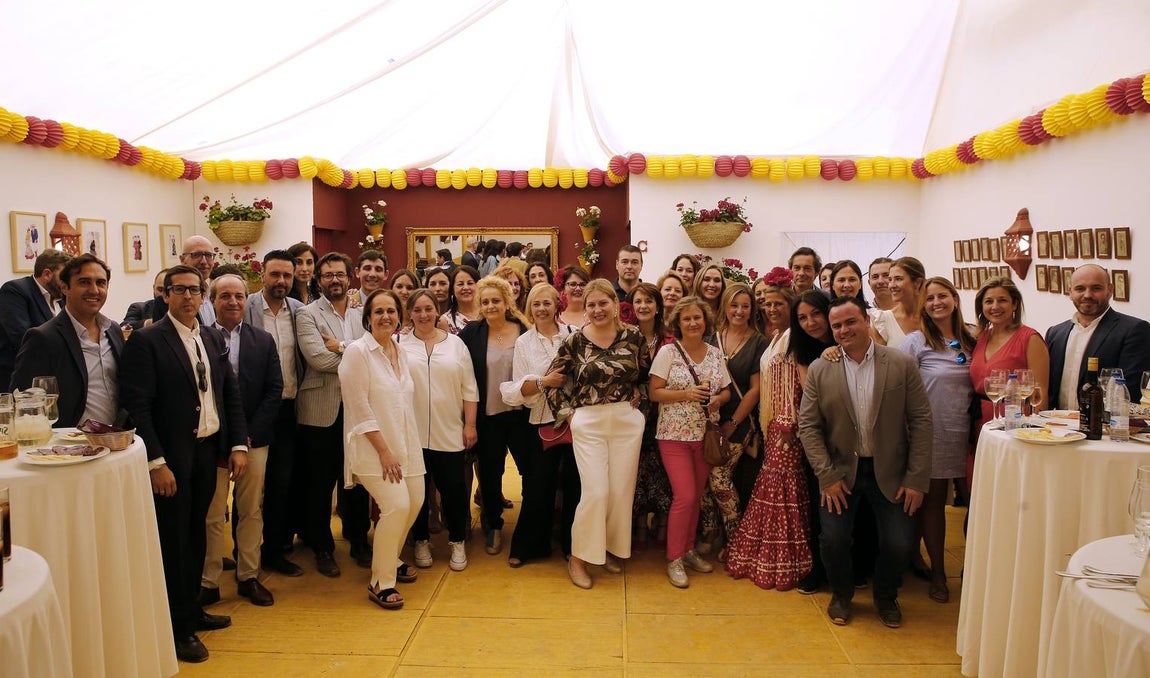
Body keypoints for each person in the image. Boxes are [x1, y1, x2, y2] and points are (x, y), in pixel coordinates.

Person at [119, 265, 249, 663]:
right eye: (180, 290)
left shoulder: (209, 336)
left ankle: (191, 610)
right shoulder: (148, 340)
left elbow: (229, 394)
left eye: (195, 290)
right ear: (166, 295)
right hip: (171, 457)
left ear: (203, 296)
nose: (188, 297)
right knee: (174, 542)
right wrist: (155, 461)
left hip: (208, 451)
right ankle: (176, 629)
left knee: (197, 536)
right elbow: (137, 404)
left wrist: (238, 444)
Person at [798, 296, 932, 628]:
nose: (844, 330)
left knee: (900, 543)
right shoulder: (820, 368)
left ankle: (886, 596)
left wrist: (916, 479)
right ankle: (842, 595)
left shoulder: (900, 364)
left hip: (892, 472)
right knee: (834, 539)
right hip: (840, 473)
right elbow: (809, 426)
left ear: (866, 320)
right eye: (837, 325)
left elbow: (921, 421)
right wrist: (826, 475)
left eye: (850, 322)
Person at [545, 279, 649, 589]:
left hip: (625, 422)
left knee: (619, 492)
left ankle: (609, 549)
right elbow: (551, 381)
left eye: (603, 303)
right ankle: (578, 558)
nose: (597, 309)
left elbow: (644, 375)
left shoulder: (633, 336)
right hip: (588, 422)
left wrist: (639, 396)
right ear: (584, 308)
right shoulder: (574, 342)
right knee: (596, 492)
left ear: (615, 305)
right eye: (591, 305)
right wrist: (568, 415)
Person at [727, 290, 831, 590]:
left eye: (779, 304)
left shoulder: (793, 339)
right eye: (767, 303)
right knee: (776, 486)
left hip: (789, 425)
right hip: (774, 424)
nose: (771, 308)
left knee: (783, 488)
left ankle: (785, 559)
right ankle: (771, 555)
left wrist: (789, 420)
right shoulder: (776, 335)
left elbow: (800, 384)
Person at [338, 290, 427, 610]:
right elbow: (359, 408)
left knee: (415, 502)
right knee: (396, 505)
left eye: (391, 311)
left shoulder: (398, 349)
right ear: (368, 318)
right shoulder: (358, 353)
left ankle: (390, 557)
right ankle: (381, 581)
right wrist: (384, 451)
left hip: (406, 443)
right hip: (375, 448)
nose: (386, 316)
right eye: (379, 312)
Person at [200, 274, 282, 608]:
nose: (233, 302)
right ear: (213, 300)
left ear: (247, 300)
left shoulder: (262, 340)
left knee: (250, 509)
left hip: (254, 439)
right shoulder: (199, 339)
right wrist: (227, 436)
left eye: (239, 296)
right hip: (212, 441)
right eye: (225, 296)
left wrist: (245, 437)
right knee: (213, 512)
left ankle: (248, 576)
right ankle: (208, 580)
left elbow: (274, 390)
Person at [898, 277, 975, 604]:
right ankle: (939, 572)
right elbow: (898, 389)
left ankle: (974, 568)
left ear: (954, 299)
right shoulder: (916, 342)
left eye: (942, 296)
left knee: (973, 502)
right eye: (929, 299)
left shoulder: (973, 339)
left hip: (968, 432)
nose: (936, 303)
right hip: (931, 433)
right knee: (933, 503)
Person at [295, 252, 370, 577]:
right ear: (318, 280)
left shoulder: (360, 312)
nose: (334, 280)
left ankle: (357, 539)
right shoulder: (307, 314)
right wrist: (356, 352)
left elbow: (375, 351)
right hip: (319, 412)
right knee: (320, 483)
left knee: (355, 479)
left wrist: (339, 345)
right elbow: (317, 360)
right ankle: (322, 546)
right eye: (327, 275)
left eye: (340, 274)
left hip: (356, 409)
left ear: (349, 276)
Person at [649, 296, 730, 587]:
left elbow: (727, 392)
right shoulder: (668, 352)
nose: (693, 323)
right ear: (678, 323)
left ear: (705, 321)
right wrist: (687, 394)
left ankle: (688, 550)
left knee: (696, 496)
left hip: (704, 435)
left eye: (698, 318)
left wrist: (717, 399)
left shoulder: (714, 353)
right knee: (684, 496)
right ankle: (674, 559)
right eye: (687, 319)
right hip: (673, 435)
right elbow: (654, 392)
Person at [500, 283, 579, 566]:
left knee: (575, 486)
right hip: (541, 420)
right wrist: (545, 382)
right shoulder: (524, 343)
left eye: (547, 303)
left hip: (574, 421)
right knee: (538, 486)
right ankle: (530, 546)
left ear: (557, 304)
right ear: (529, 309)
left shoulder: (573, 336)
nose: (541, 309)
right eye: (536, 304)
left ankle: (574, 548)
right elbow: (521, 386)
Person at [398, 290, 478, 572]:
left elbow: (469, 388)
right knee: (417, 492)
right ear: (409, 312)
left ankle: (457, 541)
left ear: (437, 311)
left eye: (428, 309)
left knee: (454, 490)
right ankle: (420, 540)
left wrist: (469, 425)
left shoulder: (456, 345)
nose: (423, 315)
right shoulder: (398, 344)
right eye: (417, 310)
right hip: (412, 434)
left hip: (449, 432)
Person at [457, 276, 532, 556]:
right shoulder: (471, 334)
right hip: (489, 417)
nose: (490, 306)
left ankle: (528, 525)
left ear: (507, 302)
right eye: (485, 301)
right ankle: (494, 524)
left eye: (495, 301)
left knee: (529, 470)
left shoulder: (523, 329)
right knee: (490, 474)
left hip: (521, 416)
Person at [243, 250, 306, 577]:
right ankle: (247, 553)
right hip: (254, 410)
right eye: (275, 275)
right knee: (253, 486)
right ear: (262, 275)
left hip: (289, 408)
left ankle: (275, 549)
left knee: (282, 483)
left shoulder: (298, 311)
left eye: (287, 276)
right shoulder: (246, 307)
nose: (281, 281)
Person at [11, 253, 125, 427]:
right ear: (64, 288)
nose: (94, 290)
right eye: (84, 282)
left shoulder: (114, 330)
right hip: (68, 447)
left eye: (100, 283)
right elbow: (21, 403)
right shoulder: (43, 338)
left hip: (116, 440)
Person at [704, 283, 769, 561]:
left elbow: (755, 389)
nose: (739, 311)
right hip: (710, 421)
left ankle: (736, 539)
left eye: (745, 306)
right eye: (734, 305)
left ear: (752, 309)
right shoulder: (712, 338)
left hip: (740, 422)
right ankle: (711, 533)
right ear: (725, 307)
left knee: (720, 479)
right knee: (705, 481)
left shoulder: (758, 342)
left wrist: (733, 421)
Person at [1045, 263, 1150, 409]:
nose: (1087, 295)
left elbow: (1129, 392)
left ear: (1110, 290)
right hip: (1055, 427)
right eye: (1080, 288)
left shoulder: (1134, 330)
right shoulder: (1055, 333)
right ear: (1070, 292)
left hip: (1103, 427)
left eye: (1096, 288)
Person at [969, 277, 1050, 436]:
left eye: (1002, 300)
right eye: (989, 301)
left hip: (1014, 425)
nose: (995, 307)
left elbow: (1040, 397)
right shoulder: (980, 337)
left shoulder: (1030, 339)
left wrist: (1033, 433)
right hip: (978, 421)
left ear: (1015, 304)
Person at [629, 283, 673, 550]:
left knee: (662, 472)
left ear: (658, 306)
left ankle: (663, 524)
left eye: (648, 301)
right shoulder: (626, 336)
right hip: (634, 415)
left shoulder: (670, 338)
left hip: (664, 414)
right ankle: (637, 525)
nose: (643, 306)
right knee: (636, 471)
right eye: (638, 301)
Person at [0, 249, 71, 388]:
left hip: (53, 377)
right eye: (63, 277)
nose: (66, 283)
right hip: (17, 381)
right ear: (47, 274)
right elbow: (22, 337)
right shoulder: (15, 291)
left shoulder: (61, 297)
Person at [872, 256, 924, 347]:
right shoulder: (883, 322)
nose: (891, 285)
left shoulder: (934, 316)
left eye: (898, 279)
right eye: (890, 279)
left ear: (917, 283)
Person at [179, 236, 219, 325]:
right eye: (197, 255)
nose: (204, 261)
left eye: (209, 255)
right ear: (182, 260)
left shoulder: (215, 294)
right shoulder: (172, 297)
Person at [441, 265, 481, 334]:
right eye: (460, 284)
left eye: (470, 283)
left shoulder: (488, 312)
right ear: (452, 289)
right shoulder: (445, 321)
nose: (465, 288)